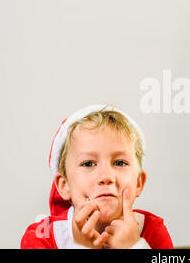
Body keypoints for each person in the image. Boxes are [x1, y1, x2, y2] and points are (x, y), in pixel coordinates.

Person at [21, 104, 173, 249]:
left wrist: (135, 246)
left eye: (120, 163)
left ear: (139, 183)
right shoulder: (42, 235)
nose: (106, 176)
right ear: (64, 185)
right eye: (88, 164)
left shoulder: (152, 231)